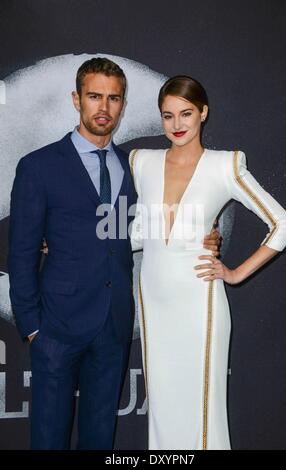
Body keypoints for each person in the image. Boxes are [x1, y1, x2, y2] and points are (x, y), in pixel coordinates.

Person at [7, 59, 220, 450]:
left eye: (113, 98)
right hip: (56, 329)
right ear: (77, 100)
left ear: (122, 105)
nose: (103, 108)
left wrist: (207, 233)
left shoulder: (133, 166)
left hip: (113, 328)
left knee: (100, 439)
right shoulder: (39, 167)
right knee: (48, 440)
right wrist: (34, 327)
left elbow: (156, 223)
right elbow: (20, 253)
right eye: (94, 96)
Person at [129, 75, 286, 450]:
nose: (177, 125)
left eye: (186, 114)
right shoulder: (143, 162)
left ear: (203, 113)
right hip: (153, 303)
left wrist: (235, 273)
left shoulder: (225, 166)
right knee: (162, 411)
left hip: (199, 303)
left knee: (204, 413)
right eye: (168, 116)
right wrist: (68, 245)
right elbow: (139, 235)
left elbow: (283, 224)